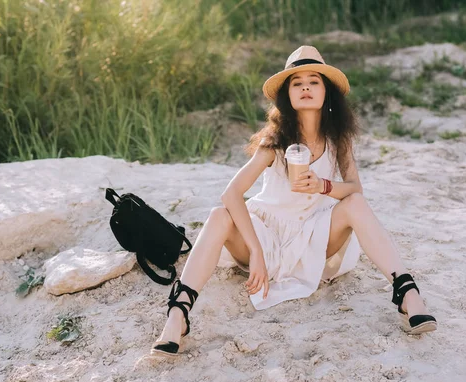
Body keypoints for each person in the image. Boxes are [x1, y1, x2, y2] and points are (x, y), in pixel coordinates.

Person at [151, 45, 437, 357]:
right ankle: (178, 313)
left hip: (312, 237)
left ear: (326, 92)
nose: (305, 87)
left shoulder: (338, 139)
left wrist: (323, 185)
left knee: (355, 205)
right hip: (266, 237)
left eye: (313, 81)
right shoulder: (274, 141)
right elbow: (231, 194)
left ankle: (407, 293)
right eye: (296, 82)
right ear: (287, 95)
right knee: (220, 214)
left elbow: (355, 188)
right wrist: (256, 251)